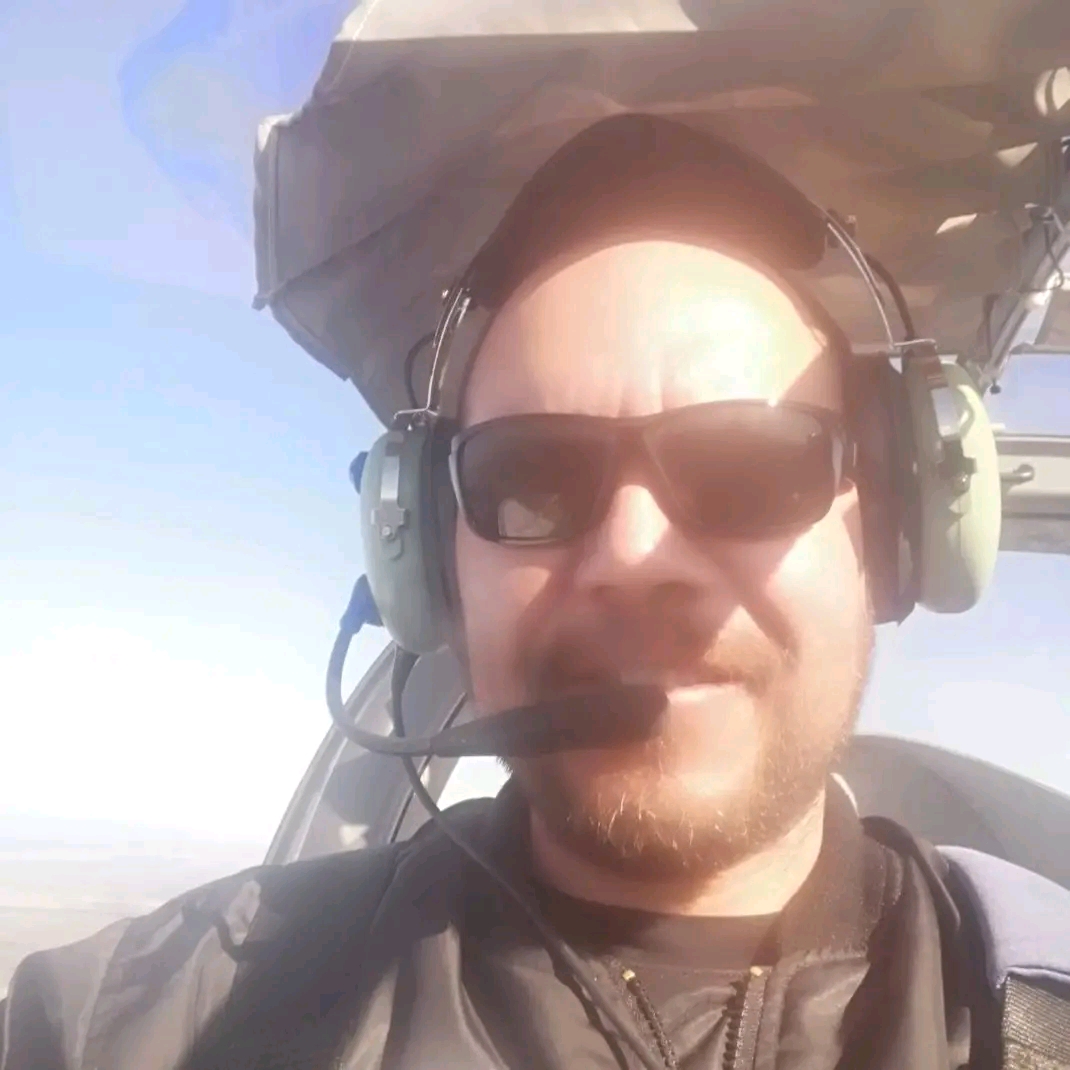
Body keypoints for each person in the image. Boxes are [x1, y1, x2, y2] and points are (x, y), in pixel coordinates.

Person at [0, 118, 1025, 1070]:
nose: (633, 553)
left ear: (889, 528)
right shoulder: (152, 1021)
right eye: (533, 480)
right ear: (434, 564)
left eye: (747, 469)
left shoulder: (1032, 1004)